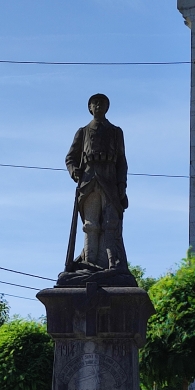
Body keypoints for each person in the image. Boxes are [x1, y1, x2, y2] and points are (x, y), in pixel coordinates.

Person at [65, 94, 129, 272]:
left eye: (102, 103)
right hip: (88, 182)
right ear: (90, 108)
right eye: (95, 103)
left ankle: (112, 263)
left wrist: (122, 184)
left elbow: (122, 161)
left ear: (107, 108)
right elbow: (70, 158)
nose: (99, 106)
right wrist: (73, 171)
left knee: (110, 224)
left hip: (109, 182)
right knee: (90, 225)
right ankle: (89, 262)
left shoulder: (116, 132)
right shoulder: (83, 131)